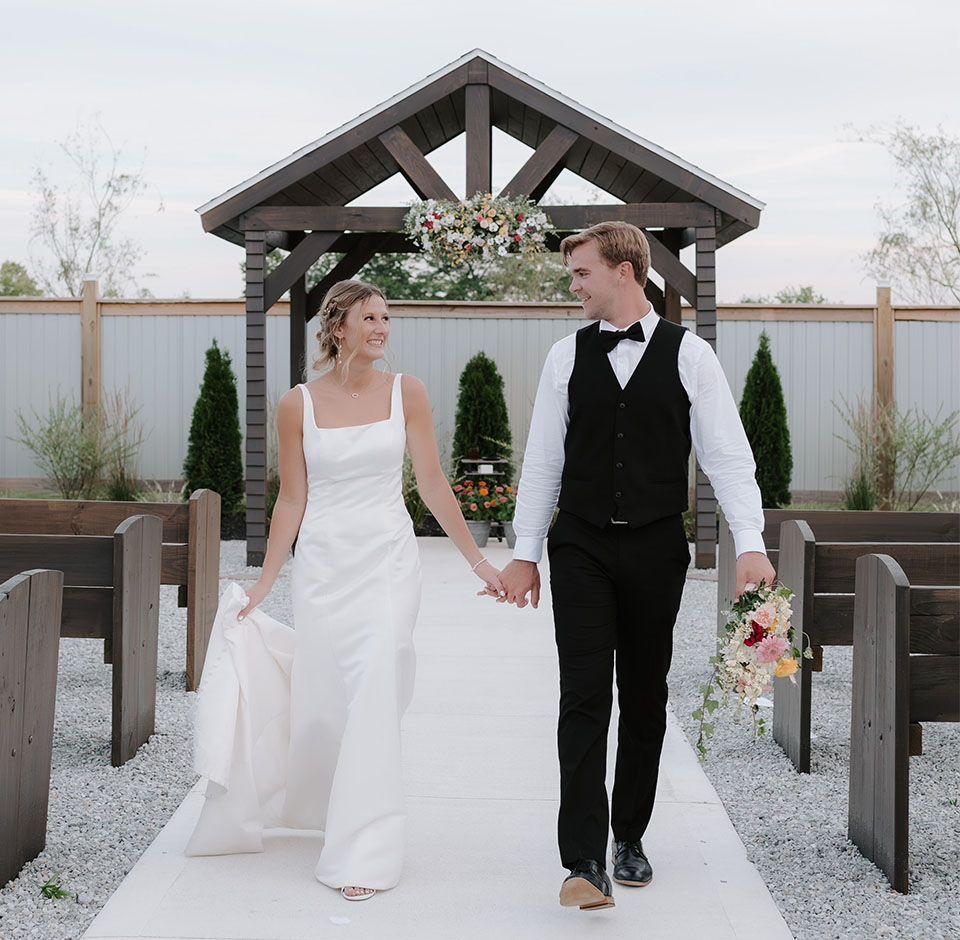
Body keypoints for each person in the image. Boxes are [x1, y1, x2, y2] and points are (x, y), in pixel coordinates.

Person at [186, 279, 505, 901]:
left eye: (387, 318)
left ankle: (365, 850)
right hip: (325, 568)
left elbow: (434, 485)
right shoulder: (296, 404)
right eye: (370, 318)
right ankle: (329, 807)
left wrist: (478, 564)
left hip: (388, 563)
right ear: (339, 329)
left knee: (378, 688)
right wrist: (265, 584)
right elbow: (292, 500)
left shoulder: (406, 392)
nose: (382, 329)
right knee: (331, 700)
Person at [491, 222, 775, 911]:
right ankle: (584, 857)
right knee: (583, 695)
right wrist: (526, 554)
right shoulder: (566, 356)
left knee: (644, 694)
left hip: (654, 546)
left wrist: (751, 542)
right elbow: (544, 461)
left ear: (626, 271)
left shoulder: (692, 356)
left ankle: (630, 835)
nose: (574, 284)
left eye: (582, 272)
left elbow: (728, 456)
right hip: (581, 544)